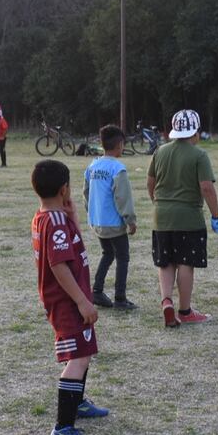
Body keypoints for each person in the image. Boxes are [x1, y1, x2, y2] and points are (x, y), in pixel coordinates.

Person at [31, 159, 109, 435]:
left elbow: (74, 249)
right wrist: (81, 301)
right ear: (65, 189)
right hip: (68, 301)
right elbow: (60, 265)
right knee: (77, 358)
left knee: (84, 351)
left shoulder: (46, 217)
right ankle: (63, 428)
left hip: (72, 298)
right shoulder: (56, 222)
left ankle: (77, 403)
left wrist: (74, 216)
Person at [147, 109, 218, 327]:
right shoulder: (199, 155)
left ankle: (166, 301)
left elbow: (150, 182)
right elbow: (207, 188)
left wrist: (158, 203)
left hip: (161, 217)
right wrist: (216, 215)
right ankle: (185, 310)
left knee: (165, 262)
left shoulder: (159, 152)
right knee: (185, 263)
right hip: (189, 218)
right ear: (196, 133)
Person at [84, 125, 138, 310]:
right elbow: (122, 196)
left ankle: (97, 291)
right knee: (123, 257)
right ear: (120, 144)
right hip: (114, 223)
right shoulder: (117, 168)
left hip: (98, 221)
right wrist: (130, 219)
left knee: (108, 253)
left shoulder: (92, 166)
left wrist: (90, 211)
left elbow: (86, 192)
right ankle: (120, 298)